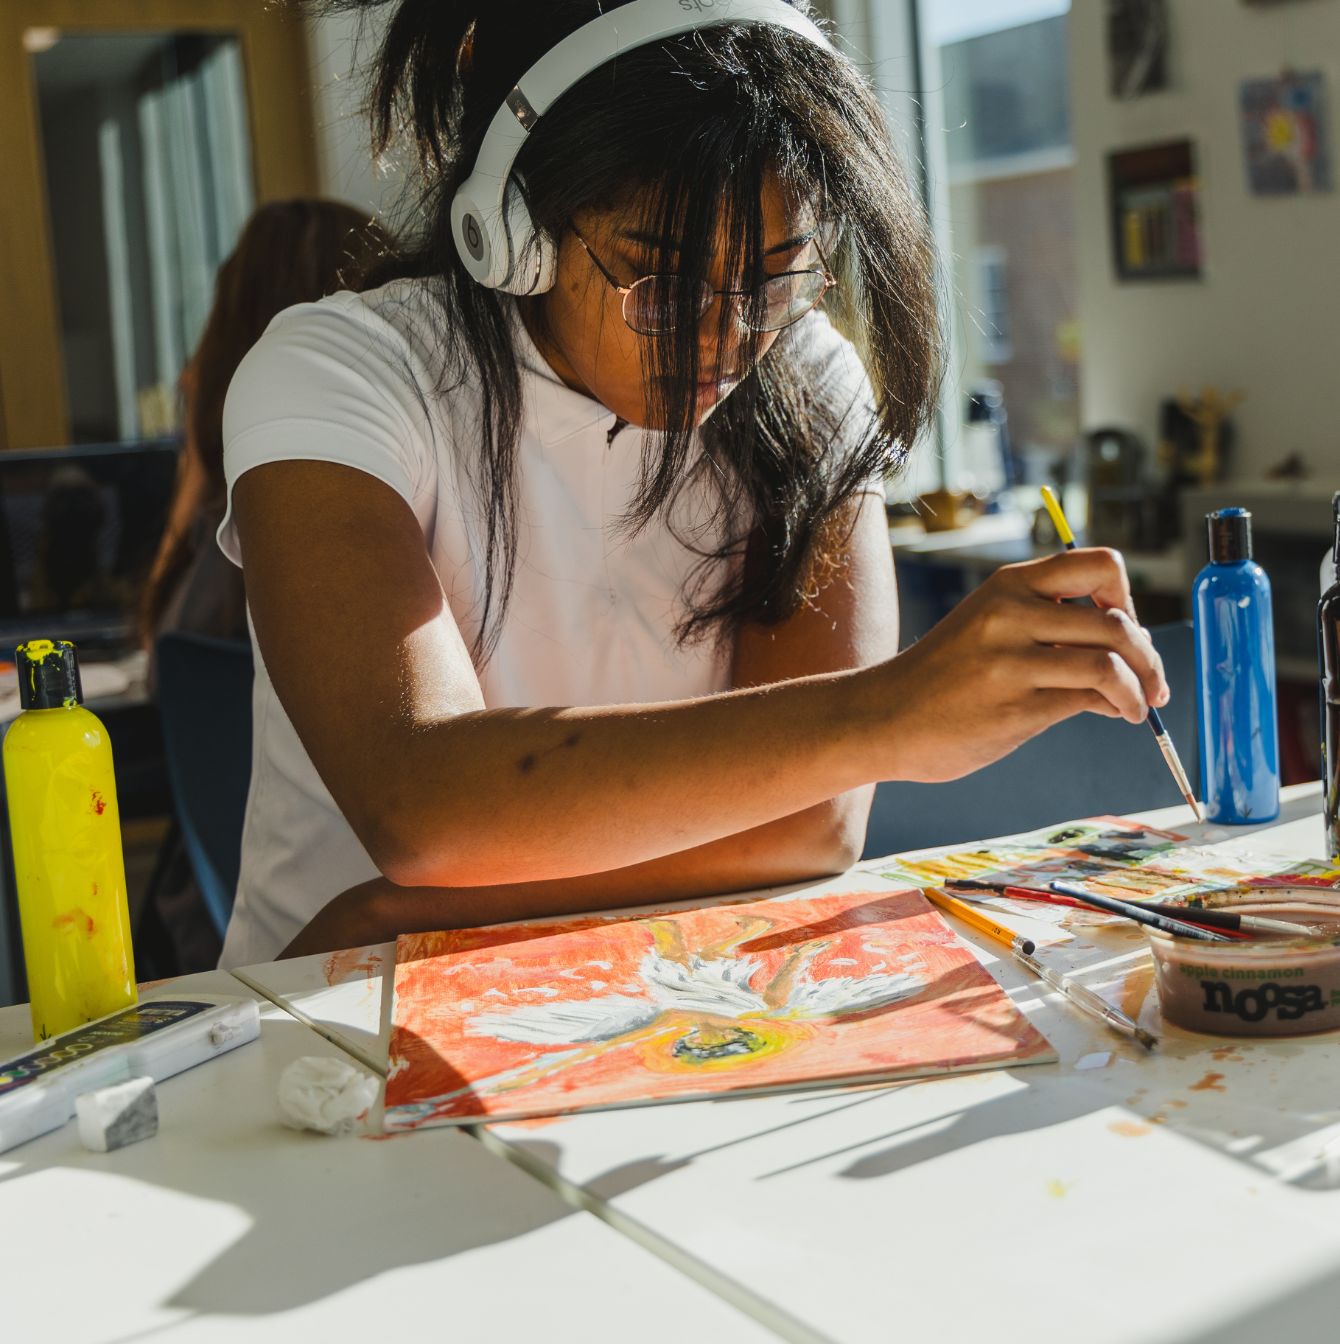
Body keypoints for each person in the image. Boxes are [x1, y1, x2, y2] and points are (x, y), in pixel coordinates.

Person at [217, 0, 1168, 967]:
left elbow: (811, 830)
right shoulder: (340, 377)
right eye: (663, 288)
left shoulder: (803, 377)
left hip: (662, 986)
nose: (728, 339)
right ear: (514, 229)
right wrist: (888, 714)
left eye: (777, 280)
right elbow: (420, 807)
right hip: (331, 1030)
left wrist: (408, 911)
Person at [139, 198, 390, 972]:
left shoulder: (234, 538)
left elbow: (159, 656)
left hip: (224, 915)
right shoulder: (358, 526)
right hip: (338, 913)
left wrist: (193, 472)